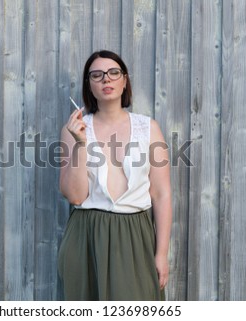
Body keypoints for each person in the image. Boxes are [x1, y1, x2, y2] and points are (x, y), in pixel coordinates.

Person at [58, 50, 172, 300]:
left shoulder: (149, 128)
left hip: (135, 236)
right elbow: (75, 197)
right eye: (96, 75)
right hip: (86, 236)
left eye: (113, 73)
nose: (106, 80)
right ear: (89, 85)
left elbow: (161, 194)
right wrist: (80, 143)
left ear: (124, 80)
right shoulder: (74, 129)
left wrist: (161, 253)